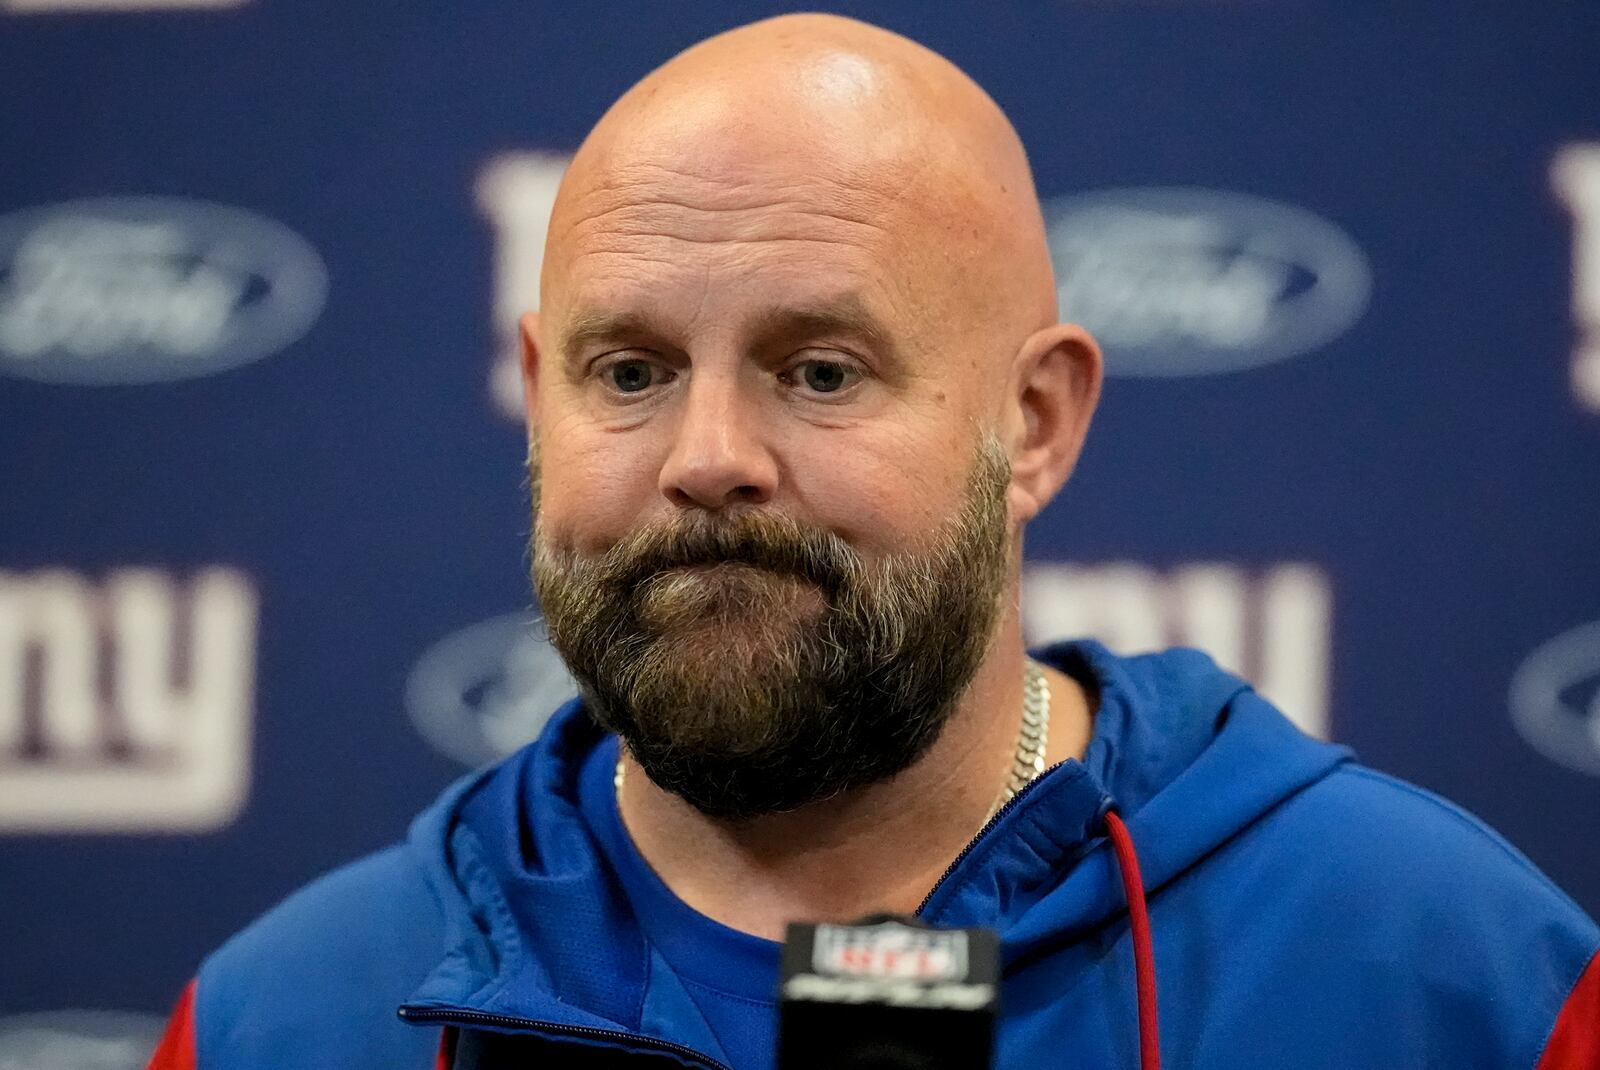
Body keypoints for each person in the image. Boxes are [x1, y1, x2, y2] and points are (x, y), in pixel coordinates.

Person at [148, 13, 1599, 1070]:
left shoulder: (1443, 976)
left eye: (821, 369)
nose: (710, 458)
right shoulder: (283, 1019)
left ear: (1033, 421)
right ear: (538, 401)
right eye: (632, 373)